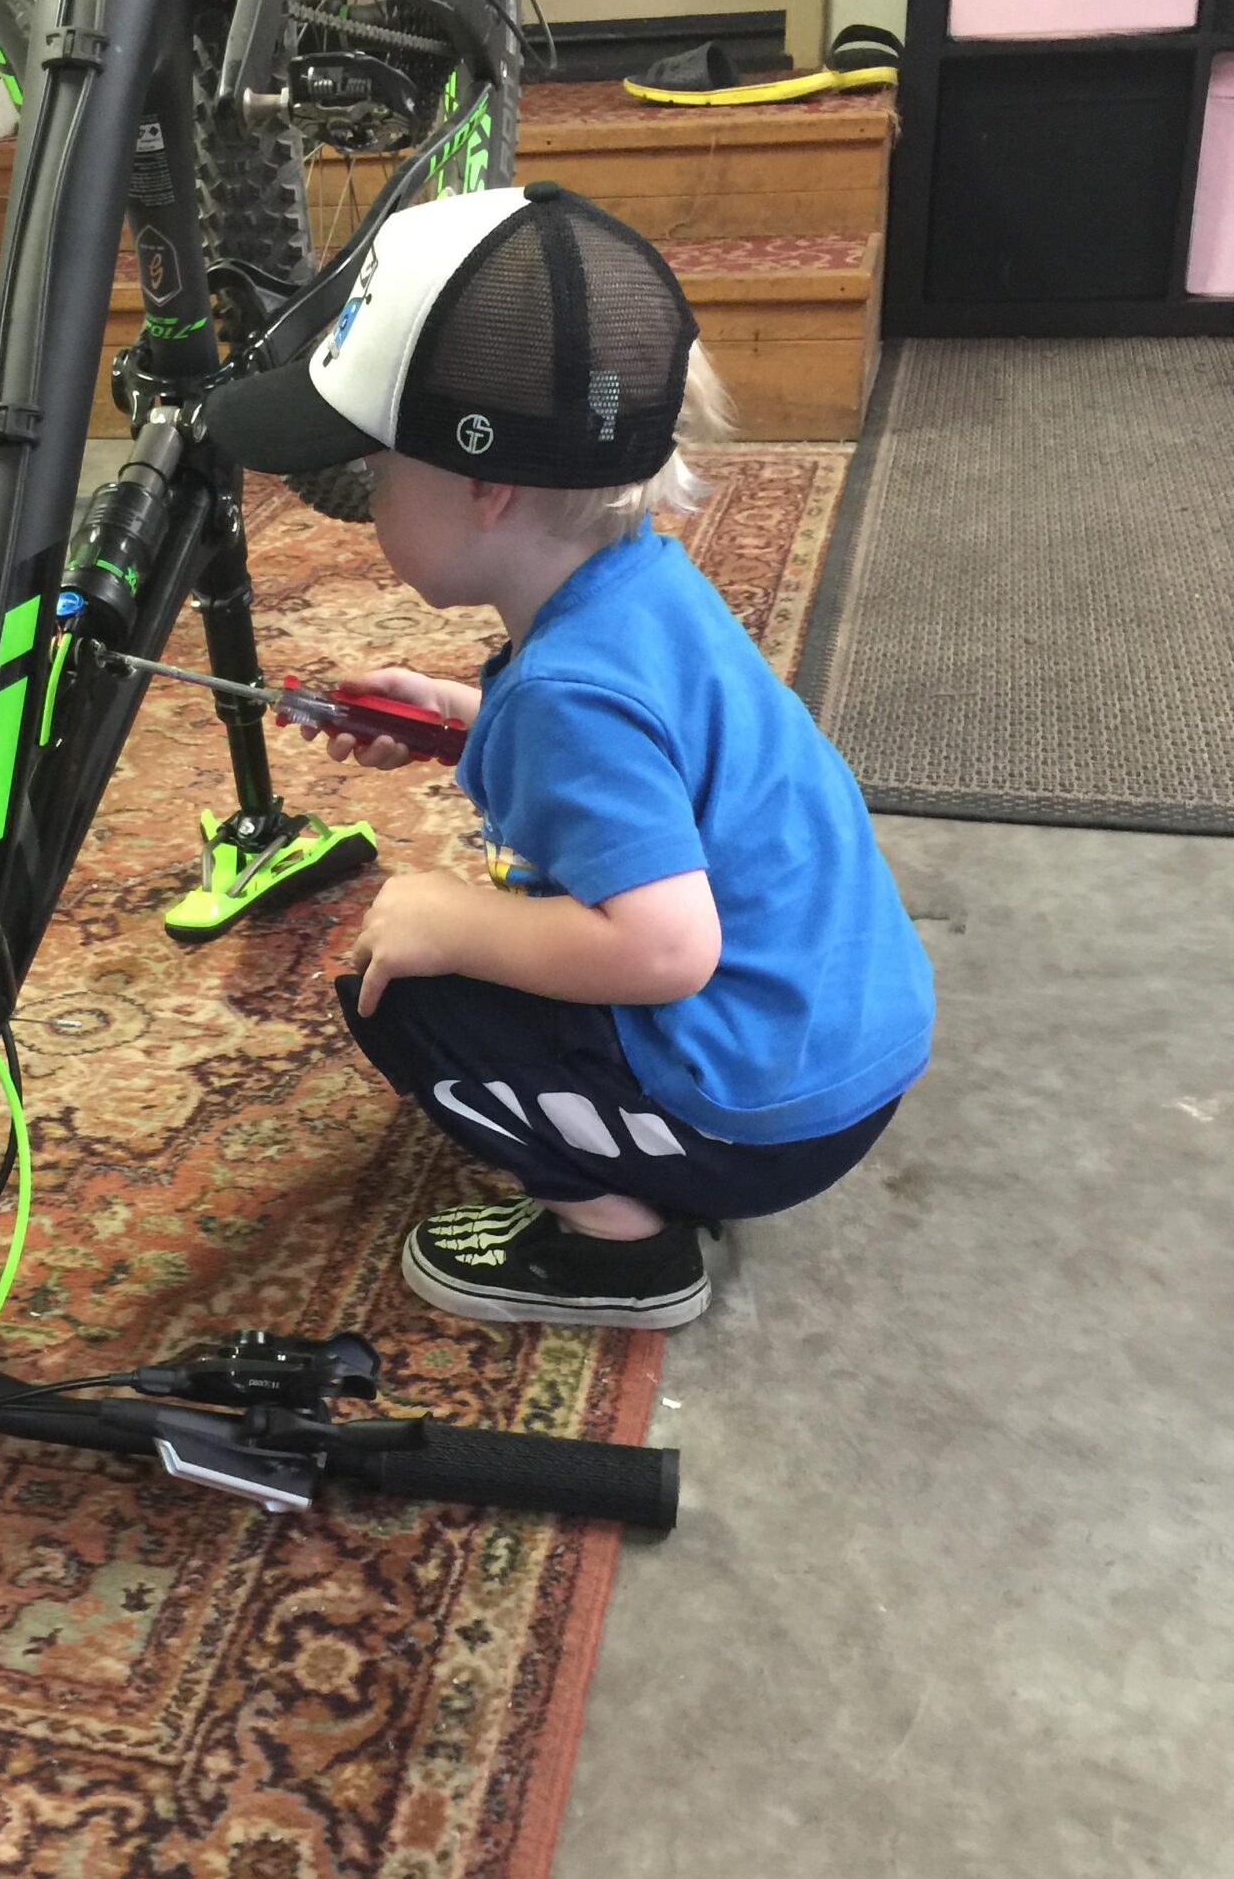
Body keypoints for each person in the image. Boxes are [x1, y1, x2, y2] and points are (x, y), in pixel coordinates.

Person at [200, 181, 934, 1330]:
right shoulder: (640, 589)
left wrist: (452, 922)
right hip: (835, 1047)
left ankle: (622, 1250)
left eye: (375, 471)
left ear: (487, 488)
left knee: (406, 998)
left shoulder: (567, 693)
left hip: (769, 1115)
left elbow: (666, 947)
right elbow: (650, 766)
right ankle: (654, 1151)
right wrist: (456, 717)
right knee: (462, 953)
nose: (366, 499)